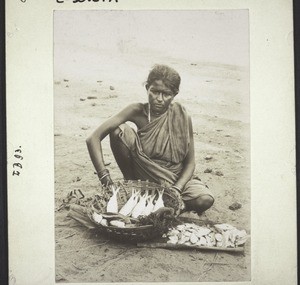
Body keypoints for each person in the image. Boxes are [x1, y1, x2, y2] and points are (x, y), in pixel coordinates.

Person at [86, 64, 214, 214]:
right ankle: (131, 185)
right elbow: (93, 138)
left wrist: (176, 189)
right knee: (118, 130)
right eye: (154, 92)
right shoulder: (137, 111)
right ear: (147, 88)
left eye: (166, 94)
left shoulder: (182, 116)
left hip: (174, 178)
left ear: (175, 94)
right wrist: (105, 179)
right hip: (142, 176)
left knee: (205, 199)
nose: (159, 99)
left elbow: (190, 163)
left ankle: (174, 207)